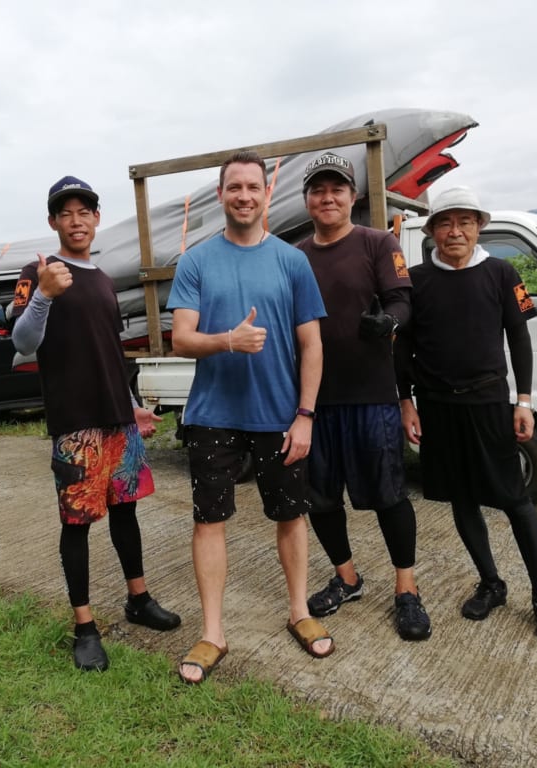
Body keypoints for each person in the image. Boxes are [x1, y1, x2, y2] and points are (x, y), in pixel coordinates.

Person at [167, 150, 334, 684]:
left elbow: (313, 345)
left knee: (291, 515)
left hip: (280, 416)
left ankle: (299, 611)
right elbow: (181, 339)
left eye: (252, 188)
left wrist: (305, 415)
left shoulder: (292, 261)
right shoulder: (196, 260)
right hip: (213, 414)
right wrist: (227, 341)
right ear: (220, 195)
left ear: (266, 195)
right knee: (208, 520)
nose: (243, 196)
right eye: (233, 187)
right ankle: (212, 632)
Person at [11, 175, 181, 672]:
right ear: (53, 222)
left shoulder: (104, 280)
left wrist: (132, 405)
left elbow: (110, 353)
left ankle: (138, 598)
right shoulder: (37, 271)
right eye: (66, 213)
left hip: (117, 422)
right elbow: (22, 344)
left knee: (126, 513)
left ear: (96, 219)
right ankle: (84, 626)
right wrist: (42, 295)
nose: (76, 220)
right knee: (78, 524)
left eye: (85, 211)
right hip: (76, 424)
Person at [395, 186, 537, 646]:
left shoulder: (501, 272)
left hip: (490, 401)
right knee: (461, 497)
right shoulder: (414, 282)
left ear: (478, 227)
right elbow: (402, 347)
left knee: (514, 499)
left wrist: (524, 401)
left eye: (465, 222)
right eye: (445, 223)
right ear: (432, 231)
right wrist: (406, 400)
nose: (455, 231)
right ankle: (491, 582)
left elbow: (520, 340)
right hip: (437, 406)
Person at [295, 152, 431, 641]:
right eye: (318, 190)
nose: (328, 197)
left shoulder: (378, 242)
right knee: (321, 499)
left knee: (390, 496)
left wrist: (389, 321)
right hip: (314, 401)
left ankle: (407, 590)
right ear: (307, 200)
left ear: (353, 197)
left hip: (373, 396)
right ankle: (347, 577)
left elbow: (402, 299)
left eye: (337, 189)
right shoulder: (298, 256)